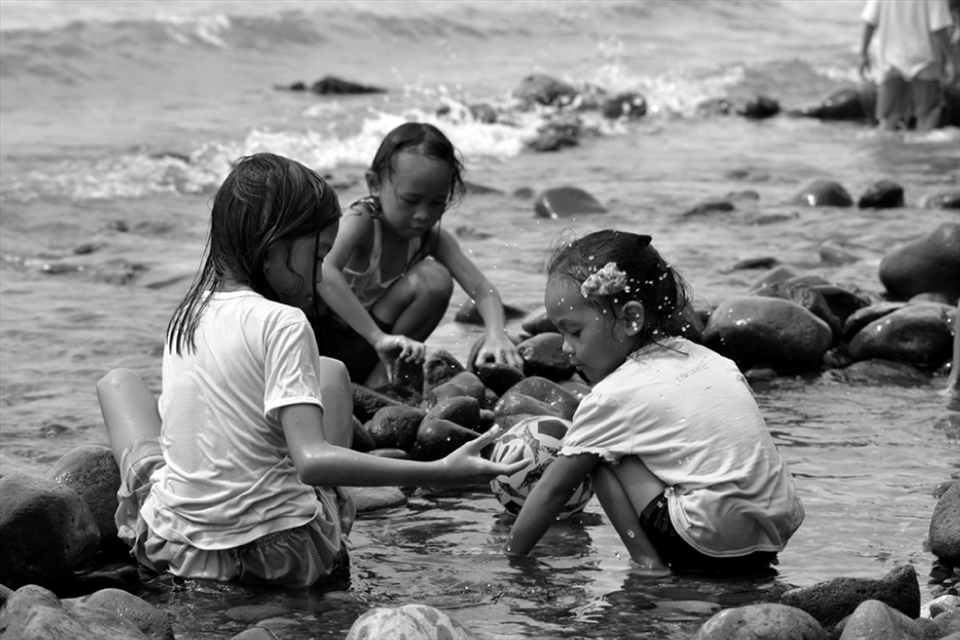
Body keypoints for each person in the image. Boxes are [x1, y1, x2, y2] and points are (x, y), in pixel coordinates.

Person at [97, 153, 529, 588]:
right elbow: (312, 461)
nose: (321, 272)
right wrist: (440, 472)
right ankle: (331, 510)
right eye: (318, 254)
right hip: (280, 555)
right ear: (273, 247)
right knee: (331, 372)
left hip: (176, 548)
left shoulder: (188, 312)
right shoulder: (283, 322)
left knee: (119, 383)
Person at [502, 230, 805, 574]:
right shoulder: (713, 361)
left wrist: (512, 557)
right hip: (775, 531)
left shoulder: (612, 396)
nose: (566, 348)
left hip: (706, 542)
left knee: (600, 454)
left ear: (632, 318)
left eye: (575, 332)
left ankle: (648, 562)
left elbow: (555, 488)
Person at [311, 122, 523, 388]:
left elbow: (481, 287)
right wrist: (376, 337)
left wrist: (496, 333)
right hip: (322, 349)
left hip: (374, 351)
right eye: (410, 200)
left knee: (434, 279)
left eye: (437, 203)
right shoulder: (361, 220)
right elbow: (324, 272)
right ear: (374, 184)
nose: (423, 214)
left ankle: (382, 384)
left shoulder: (429, 238)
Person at [859, 0, 955, 131]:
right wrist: (951, 59)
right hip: (924, 60)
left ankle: (887, 151)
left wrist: (863, 54)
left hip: (890, 61)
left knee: (888, 121)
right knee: (926, 118)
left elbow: (869, 21)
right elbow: (939, 28)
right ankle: (921, 152)